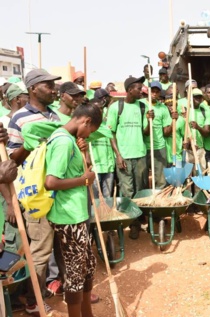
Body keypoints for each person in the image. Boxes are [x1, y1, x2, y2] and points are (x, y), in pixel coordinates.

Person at [7, 69, 63, 315]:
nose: (54, 89)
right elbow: (9, 162)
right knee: (40, 252)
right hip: (35, 194)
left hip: (60, 191)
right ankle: (33, 301)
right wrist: (31, 146)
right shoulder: (19, 119)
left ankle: (61, 287)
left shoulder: (55, 116)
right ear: (33, 89)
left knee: (60, 246)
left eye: (53, 85)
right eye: (48, 85)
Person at [45, 103, 102, 317]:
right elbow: (50, 182)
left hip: (77, 214)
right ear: (86, 121)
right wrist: (83, 180)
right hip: (67, 216)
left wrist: (83, 153)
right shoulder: (62, 142)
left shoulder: (72, 141)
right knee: (75, 274)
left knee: (87, 266)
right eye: (91, 131)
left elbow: (77, 168)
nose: (89, 135)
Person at [106, 76, 154, 239]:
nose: (141, 90)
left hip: (140, 154)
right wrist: (118, 155)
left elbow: (145, 132)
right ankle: (133, 224)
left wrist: (149, 121)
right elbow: (110, 133)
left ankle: (140, 219)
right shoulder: (116, 107)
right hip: (124, 156)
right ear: (129, 89)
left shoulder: (142, 106)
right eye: (138, 88)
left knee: (141, 191)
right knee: (127, 190)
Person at [143, 81, 173, 190]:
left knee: (161, 180)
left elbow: (166, 132)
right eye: (152, 91)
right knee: (143, 178)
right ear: (148, 91)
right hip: (143, 147)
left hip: (159, 146)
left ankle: (160, 201)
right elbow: (144, 132)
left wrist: (174, 121)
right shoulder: (141, 104)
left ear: (160, 93)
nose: (154, 94)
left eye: (157, 91)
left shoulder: (163, 108)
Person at [184, 88, 210, 171]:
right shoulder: (185, 111)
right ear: (190, 98)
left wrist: (198, 127)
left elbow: (206, 133)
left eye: (199, 97)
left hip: (200, 149)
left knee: (200, 175)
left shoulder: (204, 111)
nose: (198, 99)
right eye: (195, 97)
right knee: (187, 178)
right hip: (188, 150)